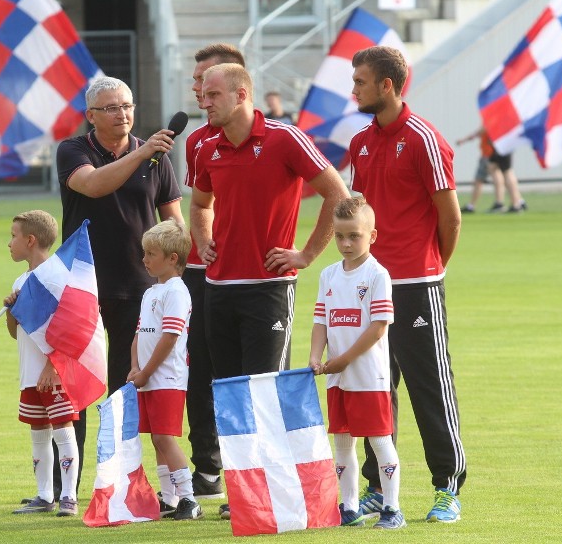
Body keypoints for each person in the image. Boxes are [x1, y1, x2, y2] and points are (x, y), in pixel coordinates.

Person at [191, 63, 349, 518]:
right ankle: (244, 495)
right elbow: (200, 204)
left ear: (242, 95)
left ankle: (275, 493)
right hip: (218, 287)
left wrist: (305, 255)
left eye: (213, 94)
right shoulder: (207, 147)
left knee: (266, 392)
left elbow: (337, 194)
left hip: (269, 289)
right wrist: (203, 241)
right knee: (230, 393)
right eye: (203, 93)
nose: (204, 100)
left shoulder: (284, 138)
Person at [348, 45, 465, 523]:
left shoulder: (424, 139)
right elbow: (359, 209)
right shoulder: (360, 141)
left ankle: (447, 489)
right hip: (370, 283)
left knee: (430, 386)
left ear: (388, 86)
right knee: (375, 388)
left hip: (416, 284)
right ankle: (379, 485)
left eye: (360, 82)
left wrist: (431, 265)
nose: (353, 89)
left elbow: (450, 217)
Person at [54, 75, 183, 497]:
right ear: (91, 115)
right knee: (74, 388)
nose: (122, 114)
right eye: (111, 108)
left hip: (139, 286)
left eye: (126, 105)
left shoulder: (156, 156)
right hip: (81, 286)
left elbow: (173, 220)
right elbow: (93, 184)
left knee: (126, 388)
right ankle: (64, 488)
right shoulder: (74, 150)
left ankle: (120, 485)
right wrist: (144, 152)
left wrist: (185, 264)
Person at [309, 196, 405, 530]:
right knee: (342, 443)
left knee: (380, 442)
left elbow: (378, 327)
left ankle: (392, 509)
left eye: (354, 236)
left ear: (372, 236)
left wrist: (343, 360)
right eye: (340, 236)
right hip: (338, 378)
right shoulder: (329, 274)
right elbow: (321, 318)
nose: (346, 243)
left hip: (367, 377)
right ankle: (349, 507)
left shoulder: (378, 274)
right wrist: (314, 356)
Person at [183, 43, 246, 500]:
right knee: (199, 369)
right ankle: (207, 467)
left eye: (207, 81)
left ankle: (251, 470)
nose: (199, 91)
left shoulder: (266, 137)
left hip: (247, 273)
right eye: (197, 82)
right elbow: (197, 204)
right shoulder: (195, 141)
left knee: (246, 373)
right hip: (198, 270)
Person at [4, 210, 80, 517]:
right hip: (30, 372)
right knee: (38, 430)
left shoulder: (57, 277)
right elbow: (15, 333)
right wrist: (11, 310)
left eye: (13, 236)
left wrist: (53, 365)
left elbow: (71, 327)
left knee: (63, 429)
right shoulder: (21, 279)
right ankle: (44, 494)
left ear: (30, 240)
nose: (9, 243)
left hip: (55, 371)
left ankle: (69, 497)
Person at [128, 219, 202, 521]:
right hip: (146, 377)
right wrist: (135, 367)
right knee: (156, 438)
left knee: (164, 437)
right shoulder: (150, 293)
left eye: (151, 254)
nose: (144, 259)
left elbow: (170, 337)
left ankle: (189, 499)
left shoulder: (176, 291)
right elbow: (139, 334)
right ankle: (169, 498)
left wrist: (146, 372)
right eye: (144, 253)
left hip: (167, 377)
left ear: (173, 259)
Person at [456, 128, 525, 214]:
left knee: (503, 173)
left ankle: (512, 203)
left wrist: (464, 140)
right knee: (501, 172)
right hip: (500, 148)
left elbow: (483, 128)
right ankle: (513, 201)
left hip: (495, 150)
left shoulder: (495, 118)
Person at [455, 128, 504, 214]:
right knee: (496, 176)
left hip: (488, 154)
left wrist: (464, 140)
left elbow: (482, 130)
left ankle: (472, 205)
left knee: (479, 179)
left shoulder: (490, 120)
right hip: (493, 153)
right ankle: (499, 202)